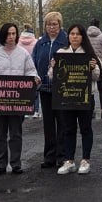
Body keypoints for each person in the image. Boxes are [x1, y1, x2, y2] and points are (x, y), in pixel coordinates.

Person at [0, 23, 41, 175]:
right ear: (3, 35)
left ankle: (16, 164)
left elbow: (31, 72)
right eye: (8, 34)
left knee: (15, 134)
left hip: (17, 102)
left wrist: (35, 79)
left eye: (14, 34)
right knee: (0, 135)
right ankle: (1, 165)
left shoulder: (23, 54)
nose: (11, 37)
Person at [52, 24, 101, 175]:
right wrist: (53, 67)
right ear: (68, 36)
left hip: (85, 97)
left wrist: (93, 68)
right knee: (68, 129)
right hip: (66, 97)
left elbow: (97, 76)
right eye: (72, 33)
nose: (74, 36)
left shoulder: (88, 54)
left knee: (85, 128)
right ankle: (69, 160)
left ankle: (85, 160)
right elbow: (51, 76)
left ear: (82, 37)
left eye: (78, 34)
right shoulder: (61, 53)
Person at [32, 12, 69, 168]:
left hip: (62, 89)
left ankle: (62, 155)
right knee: (48, 124)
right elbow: (33, 61)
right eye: (49, 24)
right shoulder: (40, 43)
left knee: (62, 123)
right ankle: (49, 156)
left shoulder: (66, 41)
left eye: (55, 24)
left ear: (60, 25)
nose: (51, 27)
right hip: (45, 88)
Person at [86, 18, 102, 119]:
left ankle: (91, 111)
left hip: (88, 63)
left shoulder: (85, 36)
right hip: (100, 64)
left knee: (90, 89)